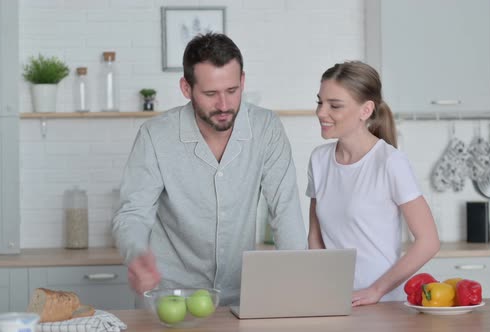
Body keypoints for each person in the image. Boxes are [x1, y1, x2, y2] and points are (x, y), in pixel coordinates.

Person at [112, 33, 307, 306]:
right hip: (169, 298)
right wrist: (137, 255)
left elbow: (285, 209)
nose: (224, 105)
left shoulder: (266, 128)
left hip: (239, 299)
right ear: (186, 88)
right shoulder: (155, 136)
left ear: (242, 81)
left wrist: (300, 283)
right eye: (210, 94)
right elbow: (133, 213)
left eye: (232, 90)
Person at [306, 61, 440, 306]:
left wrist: (377, 290)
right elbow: (315, 236)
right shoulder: (319, 159)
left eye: (334, 105)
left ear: (365, 110)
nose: (321, 113)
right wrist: (323, 286)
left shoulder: (390, 162)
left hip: (383, 305)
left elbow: (429, 241)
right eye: (320, 102)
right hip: (336, 299)